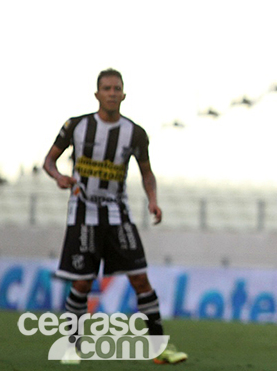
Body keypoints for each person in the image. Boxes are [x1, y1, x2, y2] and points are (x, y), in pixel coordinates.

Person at [43, 68, 187, 365]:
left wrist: (153, 201)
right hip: (83, 213)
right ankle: (71, 345)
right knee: (82, 283)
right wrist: (58, 177)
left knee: (140, 278)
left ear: (123, 94)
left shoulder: (135, 133)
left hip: (118, 212)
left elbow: (147, 172)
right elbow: (49, 160)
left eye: (116, 88)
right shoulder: (76, 126)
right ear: (97, 94)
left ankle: (158, 347)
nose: (111, 93)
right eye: (106, 88)